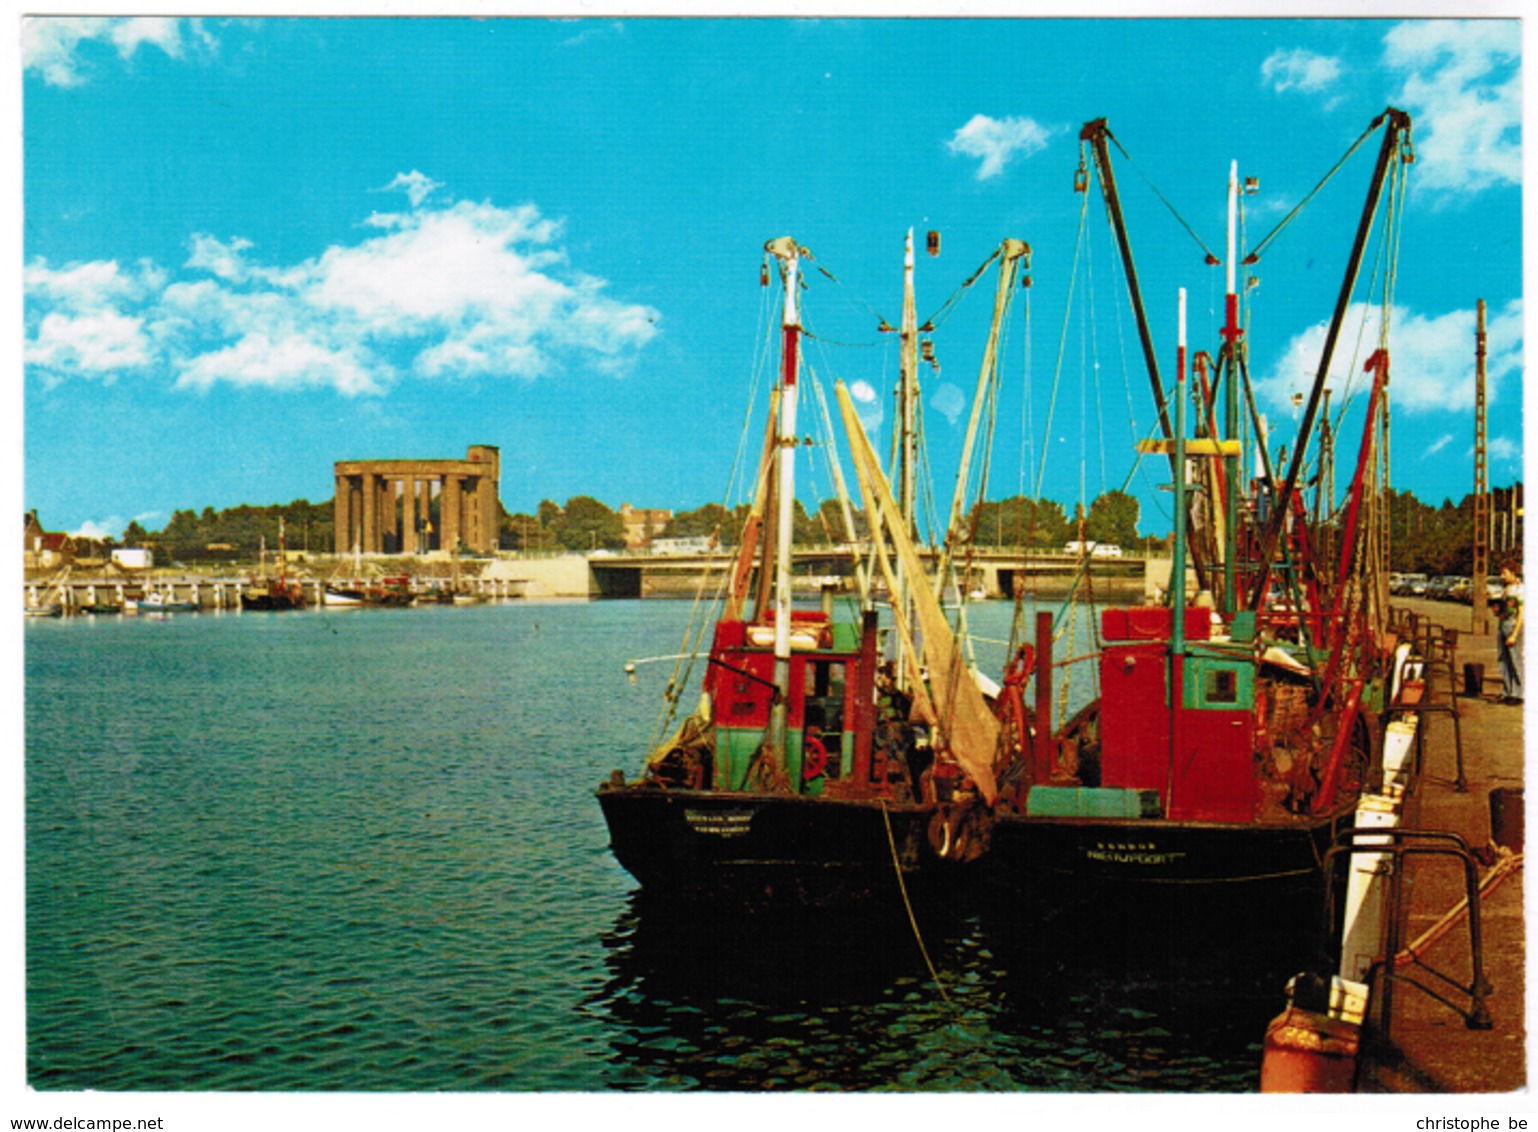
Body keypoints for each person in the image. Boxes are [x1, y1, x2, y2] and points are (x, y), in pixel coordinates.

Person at [1497, 559, 1523, 705]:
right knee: (1503, 659)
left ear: (1513, 573)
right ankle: (1507, 691)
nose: (1502, 576)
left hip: (1513, 626)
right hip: (1503, 624)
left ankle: (1518, 693)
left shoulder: (1520, 590)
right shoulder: (1506, 589)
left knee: (1515, 659)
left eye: (1504, 573)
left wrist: (1514, 634)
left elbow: (1521, 613)